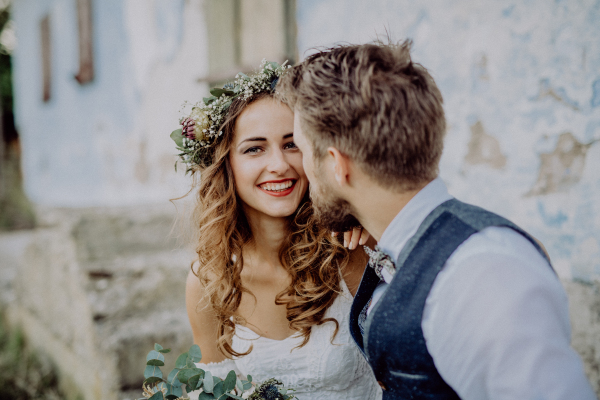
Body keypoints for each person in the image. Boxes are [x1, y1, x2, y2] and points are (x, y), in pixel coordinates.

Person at [276, 41, 596, 399]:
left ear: (337, 164)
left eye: (301, 151)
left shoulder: (483, 272)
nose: (298, 168)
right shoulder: (396, 244)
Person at [177, 61, 382, 400]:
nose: (279, 165)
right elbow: (212, 393)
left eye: (291, 144)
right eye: (254, 148)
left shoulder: (352, 246)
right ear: (226, 164)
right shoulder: (210, 280)